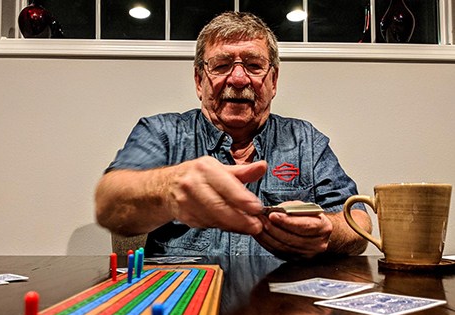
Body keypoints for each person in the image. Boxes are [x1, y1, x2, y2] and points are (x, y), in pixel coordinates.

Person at [95, 11, 371, 259]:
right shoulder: (162, 132)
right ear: (198, 81)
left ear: (273, 81)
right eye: (221, 65)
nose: (238, 79)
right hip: (181, 299)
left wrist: (327, 231)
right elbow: (108, 202)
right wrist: (171, 187)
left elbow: (359, 224)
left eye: (253, 65)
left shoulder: (306, 140)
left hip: (282, 304)